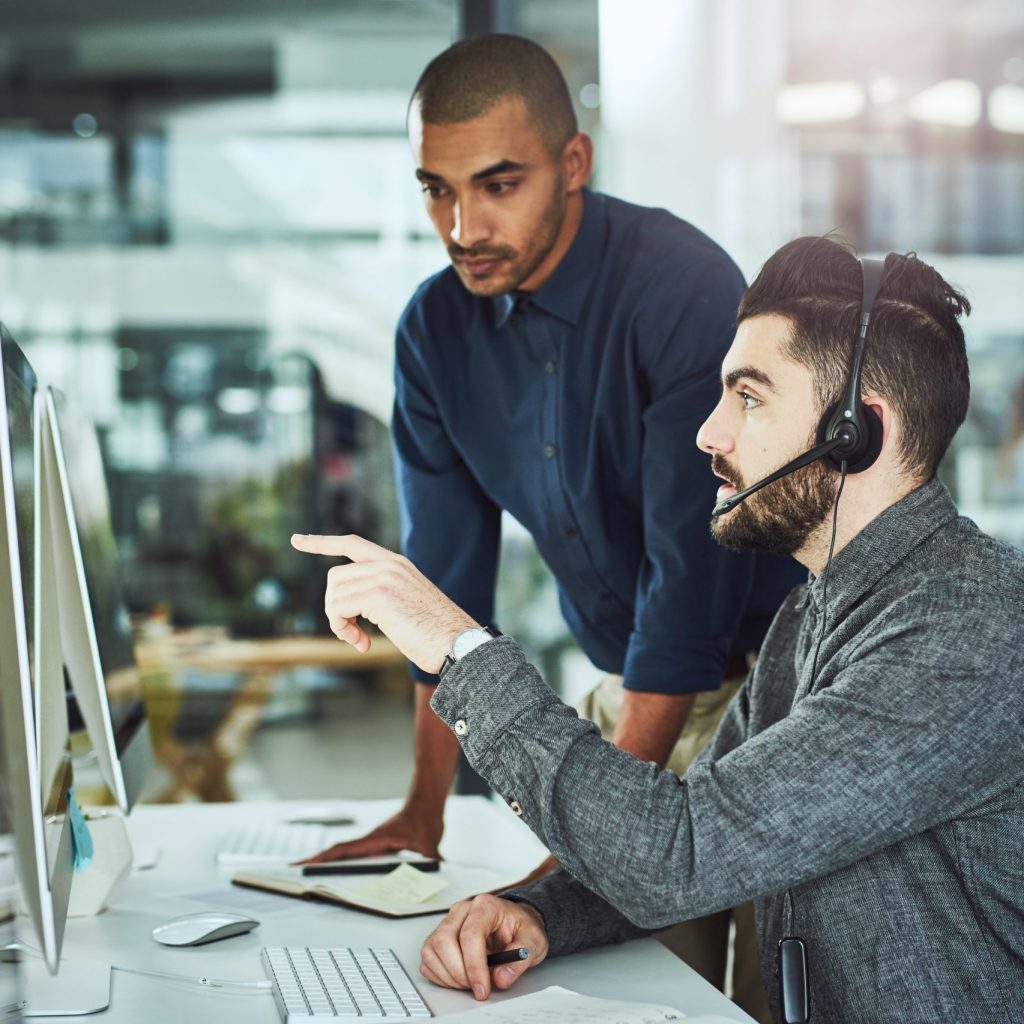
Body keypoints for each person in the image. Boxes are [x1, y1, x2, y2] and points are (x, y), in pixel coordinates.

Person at [292, 237, 1024, 1024]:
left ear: (856, 432)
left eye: (748, 397)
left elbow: (680, 853)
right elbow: (704, 830)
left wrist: (457, 645)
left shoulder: (962, 631)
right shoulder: (815, 611)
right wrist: (542, 913)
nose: (710, 434)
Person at [303, 34, 800, 1016]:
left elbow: (684, 589)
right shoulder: (432, 333)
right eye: (435, 190)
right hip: (633, 697)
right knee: (643, 996)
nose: (462, 224)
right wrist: (422, 810)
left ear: (572, 164)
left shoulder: (680, 287)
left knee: (755, 996)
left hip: (776, 709)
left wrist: (583, 843)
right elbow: (444, 585)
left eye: (497, 184)